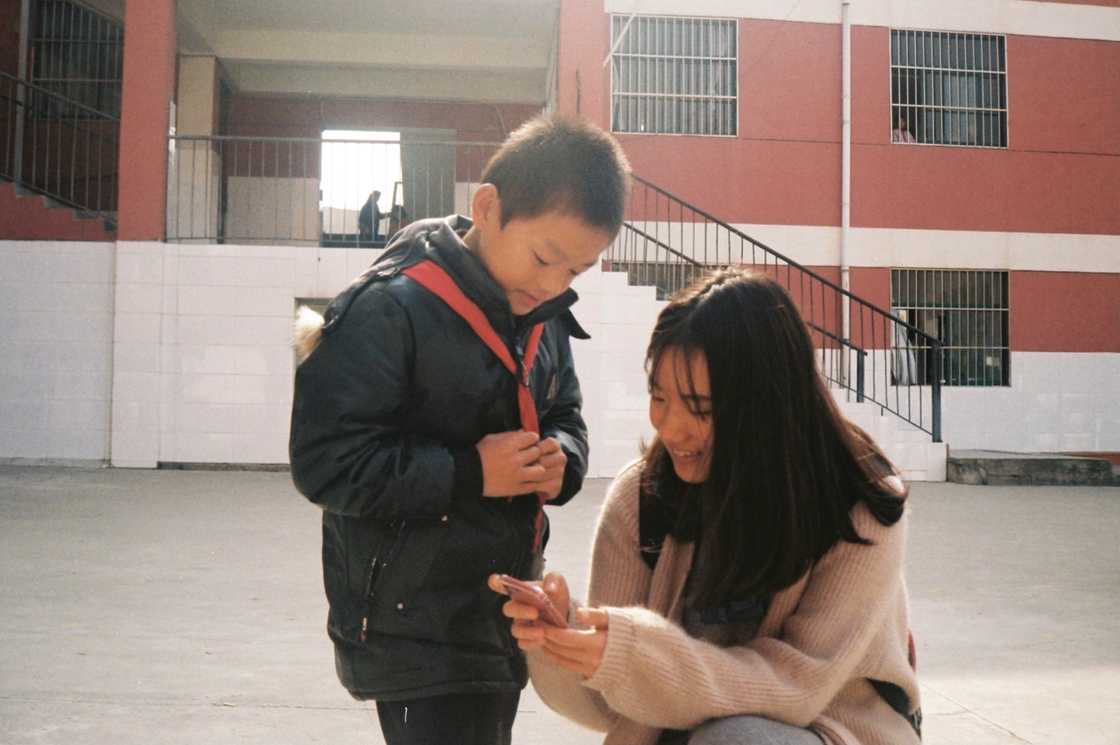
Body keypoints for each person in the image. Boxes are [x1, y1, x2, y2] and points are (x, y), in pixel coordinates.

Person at [289, 113, 631, 745]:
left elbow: (566, 412)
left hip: (499, 612)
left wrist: (564, 458)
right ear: (488, 207)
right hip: (412, 623)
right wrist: (473, 472)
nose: (554, 284)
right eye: (545, 258)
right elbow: (325, 462)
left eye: (575, 273)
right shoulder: (388, 308)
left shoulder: (540, 311)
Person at [491, 269, 921, 745]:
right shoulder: (642, 500)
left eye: (700, 407)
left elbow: (796, 688)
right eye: (659, 397)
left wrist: (633, 652)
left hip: (830, 730)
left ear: (764, 405)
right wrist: (565, 637)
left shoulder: (860, 508)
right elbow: (614, 705)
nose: (671, 429)